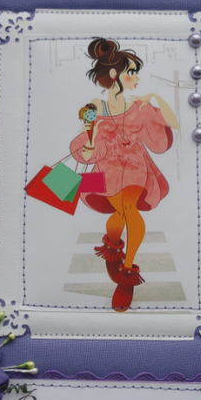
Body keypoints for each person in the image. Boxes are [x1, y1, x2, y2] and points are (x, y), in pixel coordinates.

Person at [70, 38, 179, 312]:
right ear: (114, 74)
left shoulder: (140, 106)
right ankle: (113, 246)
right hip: (107, 171)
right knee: (119, 213)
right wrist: (91, 138)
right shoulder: (95, 106)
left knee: (130, 207)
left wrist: (154, 98)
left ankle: (127, 272)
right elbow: (87, 140)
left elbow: (173, 124)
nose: (136, 78)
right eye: (131, 72)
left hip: (137, 170)